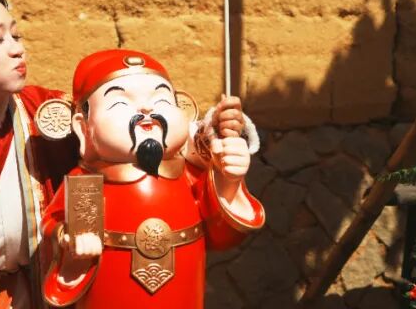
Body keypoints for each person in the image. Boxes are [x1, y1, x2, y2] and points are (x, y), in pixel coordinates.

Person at [0, 0, 251, 309]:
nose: (17, 49)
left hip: (54, 294)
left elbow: (135, 136)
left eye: (16, 36)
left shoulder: (48, 114)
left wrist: (212, 137)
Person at [39, 49, 265, 308]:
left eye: (162, 100)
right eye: (120, 103)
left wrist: (228, 181)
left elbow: (222, 234)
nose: (146, 109)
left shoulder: (188, 175)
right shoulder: (87, 183)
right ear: (83, 127)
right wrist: (69, 239)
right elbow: (52, 223)